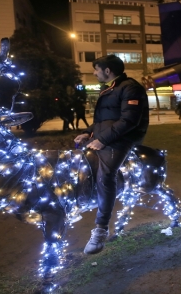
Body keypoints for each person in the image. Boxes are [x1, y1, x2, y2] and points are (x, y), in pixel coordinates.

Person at [74, 55, 149, 255]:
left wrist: (103, 140)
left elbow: (129, 121)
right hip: (107, 136)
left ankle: (100, 229)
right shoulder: (109, 88)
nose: (94, 73)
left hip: (123, 138)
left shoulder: (131, 88)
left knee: (105, 176)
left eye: (96, 69)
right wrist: (88, 132)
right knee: (77, 165)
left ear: (107, 71)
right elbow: (103, 120)